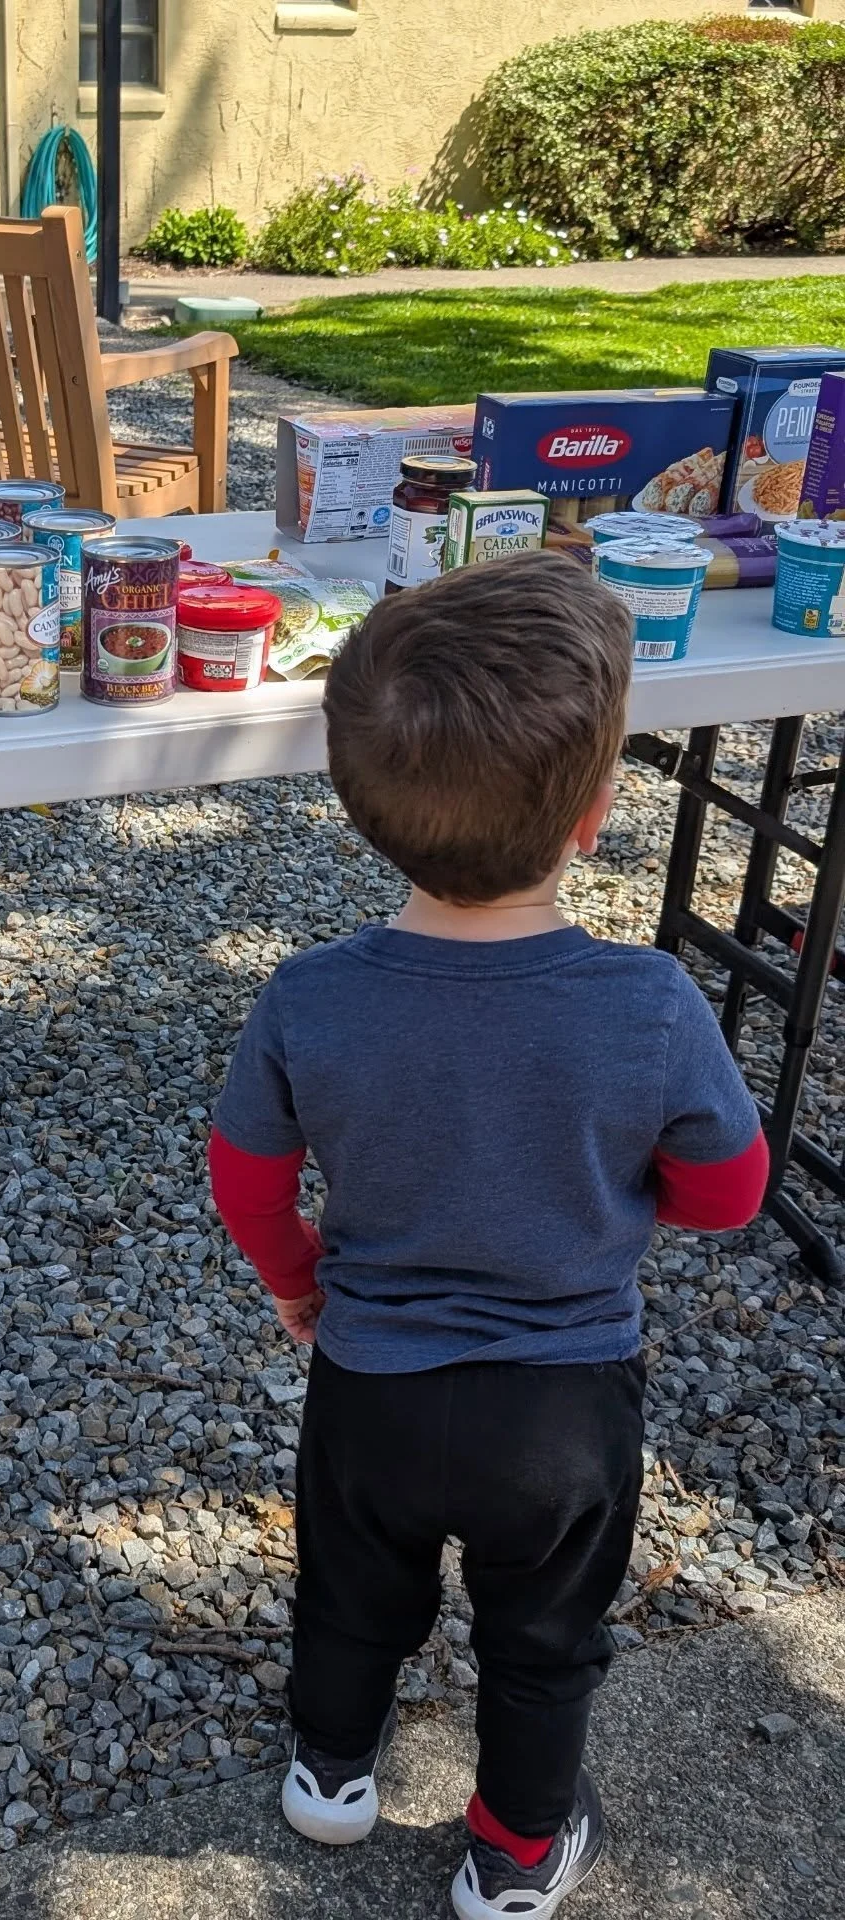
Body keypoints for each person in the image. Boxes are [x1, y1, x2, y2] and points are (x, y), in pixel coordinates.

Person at [209, 552, 769, 1920]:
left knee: (350, 1594)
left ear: (362, 809)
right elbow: (731, 1192)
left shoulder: (311, 996)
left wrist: (299, 1283)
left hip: (372, 1387)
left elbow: (246, 1179)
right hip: (563, 1405)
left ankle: (332, 1771)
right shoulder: (649, 1004)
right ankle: (515, 1851)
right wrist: (616, 1201)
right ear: (593, 814)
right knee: (543, 1639)